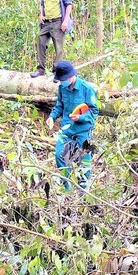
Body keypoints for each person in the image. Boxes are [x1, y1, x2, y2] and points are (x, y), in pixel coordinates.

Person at [46, 61, 99, 191]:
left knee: (84, 160)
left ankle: (83, 190)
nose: (61, 82)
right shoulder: (62, 88)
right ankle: (67, 188)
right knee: (60, 155)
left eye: (63, 80)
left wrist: (80, 118)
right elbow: (59, 106)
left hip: (83, 131)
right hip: (66, 130)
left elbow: (94, 111)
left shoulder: (87, 89)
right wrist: (52, 117)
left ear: (70, 77)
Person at [30, 0, 74, 78]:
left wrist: (65, 21)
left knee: (58, 48)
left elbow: (69, 4)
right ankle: (41, 70)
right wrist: (41, 14)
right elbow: (41, 2)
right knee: (40, 42)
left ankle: (56, 73)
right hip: (46, 22)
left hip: (58, 22)